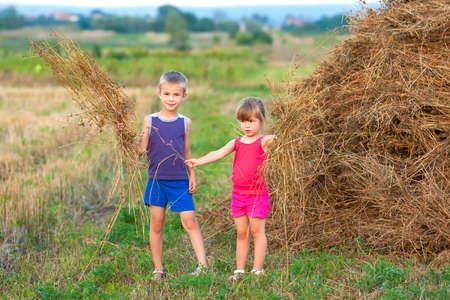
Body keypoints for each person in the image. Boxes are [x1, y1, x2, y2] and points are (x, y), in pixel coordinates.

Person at [185, 97, 275, 281]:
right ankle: (240, 270)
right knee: (242, 233)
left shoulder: (264, 142)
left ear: (261, 121)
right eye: (243, 121)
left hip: (257, 195)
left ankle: (257, 270)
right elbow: (217, 153)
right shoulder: (237, 142)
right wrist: (198, 161)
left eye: (252, 121)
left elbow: (283, 138)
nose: (247, 125)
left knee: (257, 232)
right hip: (238, 196)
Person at [136, 71, 208, 281]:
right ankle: (158, 268)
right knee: (157, 223)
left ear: (184, 96)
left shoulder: (185, 122)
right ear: (159, 93)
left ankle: (203, 266)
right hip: (157, 181)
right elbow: (141, 150)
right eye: (167, 93)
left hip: (179, 181)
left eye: (176, 94)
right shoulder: (150, 120)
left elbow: (186, 152)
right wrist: (134, 135)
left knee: (189, 220)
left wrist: (191, 174)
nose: (171, 98)